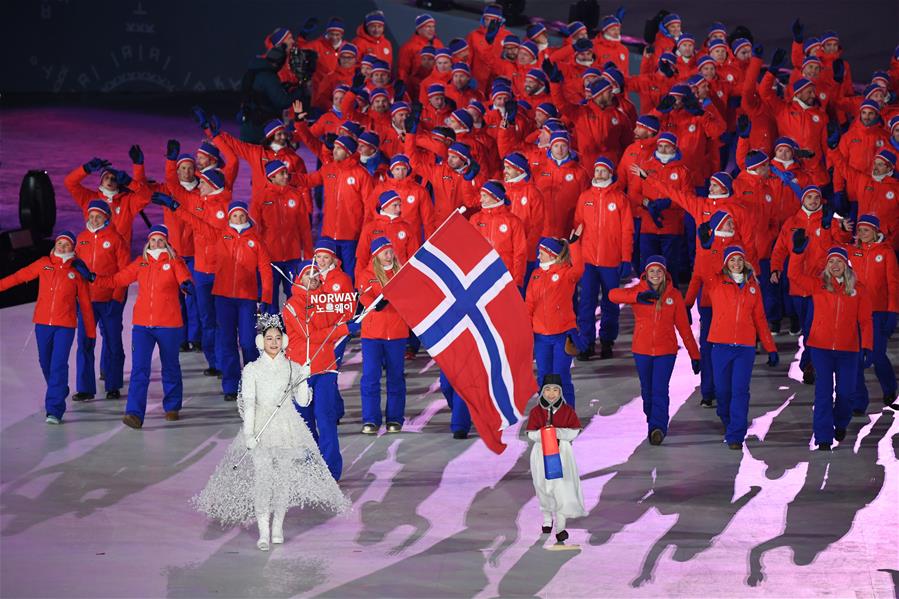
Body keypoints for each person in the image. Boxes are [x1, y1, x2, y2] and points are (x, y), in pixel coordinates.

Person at [192, 314, 349, 551]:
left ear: (284, 341)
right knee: (264, 480)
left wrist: (305, 379)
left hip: (287, 429)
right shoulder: (252, 370)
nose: (273, 342)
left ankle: (278, 528)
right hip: (261, 429)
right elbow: (249, 404)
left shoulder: (292, 368)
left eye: (277, 338)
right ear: (260, 341)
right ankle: (264, 531)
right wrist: (249, 435)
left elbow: (304, 402)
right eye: (269, 338)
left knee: (283, 481)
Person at [152, 193, 273, 402]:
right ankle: (231, 385)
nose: (238, 219)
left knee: (247, 342)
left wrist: (267, 296)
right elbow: (195, 222)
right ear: (228, 219)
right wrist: (174, 205)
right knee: (226, 342)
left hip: (246, 299)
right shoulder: (219, 236)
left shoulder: (256, 242)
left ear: (247, 218)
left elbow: (265, 269)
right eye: (234, 216)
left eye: (241, 216)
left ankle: (254, 383)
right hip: (223, 298)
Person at [86, 225, 191, 428]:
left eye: (161, 240)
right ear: (148, 242)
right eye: (153, 240)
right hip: (142, 326)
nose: (157, 244)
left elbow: (184, 276)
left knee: (170, 366)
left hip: (169, 325)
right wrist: (93, 278)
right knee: (139, 369)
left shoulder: (174, 261)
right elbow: (117, 279)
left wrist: (186, 284)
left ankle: (172, 407)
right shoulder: (140, 263)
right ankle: (134, 413)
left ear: (167, 243)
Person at [0, 232, 96, 424]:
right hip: (43, 323)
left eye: (67, 245)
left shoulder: (76, 272)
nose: (62, 247)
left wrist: (91, 332)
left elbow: (85, 305)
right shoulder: (43, 263)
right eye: (60, 243)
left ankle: (54, 409)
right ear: (54, 245)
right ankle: (59, 389)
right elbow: (19, 276)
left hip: (65, 326)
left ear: (73, 249)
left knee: (58, 364)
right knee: (45, 362)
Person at [788, 241, 873, 450]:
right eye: (831, 261)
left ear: (846, 265)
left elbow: (865, 321)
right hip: (821, 348)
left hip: (848, 350)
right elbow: (794, 275)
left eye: (839, 261)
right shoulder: (818, 284)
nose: (835, 265)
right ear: (826, 265)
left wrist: (868, 346)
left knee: (846, 393)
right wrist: (797, 254)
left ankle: (841, 422)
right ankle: (823, 437)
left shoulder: (858, 289)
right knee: (823, 393)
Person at [609, 256, 700, 445]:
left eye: (659, 271)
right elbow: (612, 295)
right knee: (647, 391)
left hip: (666, 352)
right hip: (641, 350)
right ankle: (653, 420)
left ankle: (658, 427)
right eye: (652, 271)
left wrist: (695, 355)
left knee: (659, 389)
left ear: (665, 274)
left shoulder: (674, 296)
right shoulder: (638, 291)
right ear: (646, 274)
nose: (656, 275)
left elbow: (684, 328)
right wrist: (636, 297)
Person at [282, 261, 359, 480]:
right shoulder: (292, 305)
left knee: (325, 419)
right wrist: (343, 328)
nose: (314, 277)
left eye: (317, 274)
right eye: (309, 274)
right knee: (305, 423)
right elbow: (311, 335)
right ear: (300, 279)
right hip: (301, 373)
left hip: (325, 369)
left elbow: (341, 317)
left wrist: (352, 316)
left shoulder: (327, 301)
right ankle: (311, 467)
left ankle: (331, 472)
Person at [698, 245, 779, 450]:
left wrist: (770, 347)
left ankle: (736, 435)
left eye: (739, 260)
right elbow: (704, 267)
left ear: (744, 262)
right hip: (720, 346)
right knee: (723, 391)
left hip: (745, 347)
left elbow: (759, 318)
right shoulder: (716, 282)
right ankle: (727, 419)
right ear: (726, 263)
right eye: (732, 260)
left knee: (740, 390)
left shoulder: (753, 286)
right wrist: (709, 248)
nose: (736, 264)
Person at [574, 156, 634, 360]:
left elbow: (627, 231)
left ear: (610, 173)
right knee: (587, 303)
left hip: (611, 261)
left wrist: (626, 258)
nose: (599, 174)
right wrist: (576, 256)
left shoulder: (620, 199)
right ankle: (587, 343)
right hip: (588, 260)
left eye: (603, 171)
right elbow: (577, 228)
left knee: (611, 302)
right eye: (597, 171)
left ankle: (607, 341)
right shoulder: (584, 197)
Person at [72, 200, 129, 401]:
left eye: (99, 216)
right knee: (85, 344)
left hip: (109, 300)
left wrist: (117, 298)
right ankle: (85, 388)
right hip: (87, 302)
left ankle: (113, 385)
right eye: (91, 216)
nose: (94, 219)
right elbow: (74, 271)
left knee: (113, 343)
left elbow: (124, 273)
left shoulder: (116, 239)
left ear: (107, 217)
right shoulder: (81, 239)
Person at [525, 374, 586, 546]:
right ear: (542, 391)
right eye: (548, 390)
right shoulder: (536, 412)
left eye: (555, 390)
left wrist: (557, 433)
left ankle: (560, 528)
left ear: (560, 392)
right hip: (541, 454)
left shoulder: (567, 411)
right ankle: (546, 517)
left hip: (563, 454)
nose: (551, 394)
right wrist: (544, 434)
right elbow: (530, 434)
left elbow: (574, 431)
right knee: (543, 487)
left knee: (562, 489)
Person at [357, 238, 410, 434]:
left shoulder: (402, 273)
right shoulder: (367, 275)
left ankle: (395, 418)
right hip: (372, 335)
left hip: (396, 334)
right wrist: (375, 302)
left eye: (390, 251)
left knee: (396, 377)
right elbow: (364, 296)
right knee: (371, 377)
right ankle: (370, 419)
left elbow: (409, 297)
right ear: (376, 255)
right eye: (385, 252)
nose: (389, 255)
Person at [526, 236, 585, 406]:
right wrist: (527, 328)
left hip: (561, 335)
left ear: (552, 255)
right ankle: (547, 414)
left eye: (541, 253)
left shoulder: (566, 274)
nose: (538, 257)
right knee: (544, 376)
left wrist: (574, 243)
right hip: (541, 337)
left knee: (561, 375)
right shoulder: (536, 275)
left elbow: (579, 268)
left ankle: (568, 415)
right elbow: (529, 303)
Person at [849, 215, 898, 407]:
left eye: (866, 230)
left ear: (876, 232)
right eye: (860, 230)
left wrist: (892, 312)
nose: (862, 234)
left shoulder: (886, 253)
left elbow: (893, 285)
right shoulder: (852, 252)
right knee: (855, 357)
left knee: (877, 354)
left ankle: (889, 389)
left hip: (878, 312)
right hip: (855, 313)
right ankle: (860, 401)